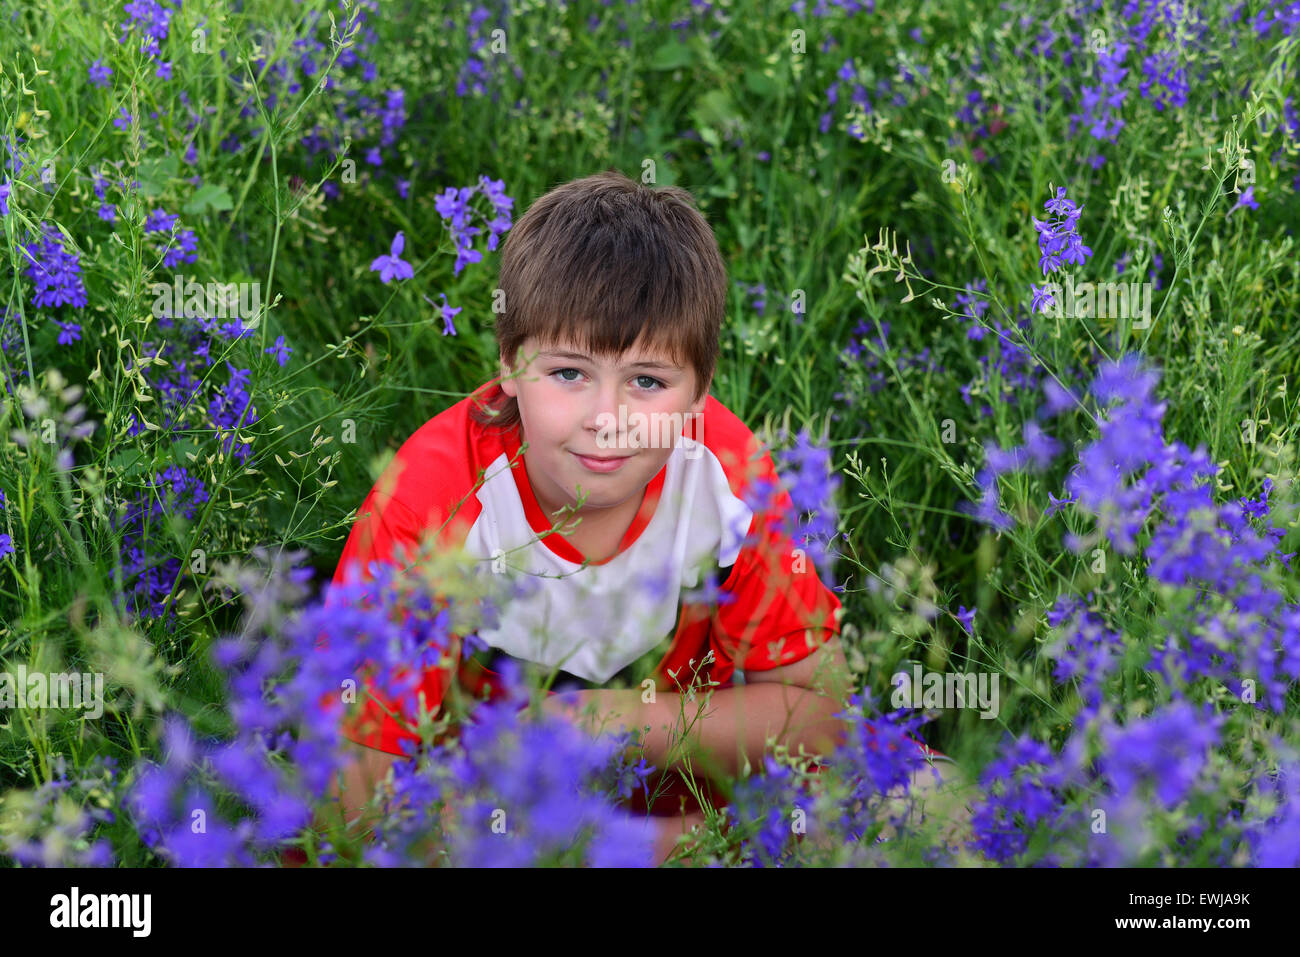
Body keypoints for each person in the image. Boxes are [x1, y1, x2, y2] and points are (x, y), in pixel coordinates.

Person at [311, 169, 919, 866]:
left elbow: (823, 713)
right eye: (568, 373)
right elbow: (350, 792)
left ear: (699, 393)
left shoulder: (727, 472)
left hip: (687, 808)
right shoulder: (430, 499)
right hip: (493, 829)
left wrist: (608, 726)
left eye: (648, 381)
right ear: (510, 365)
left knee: (930, 793)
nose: (608, 421)